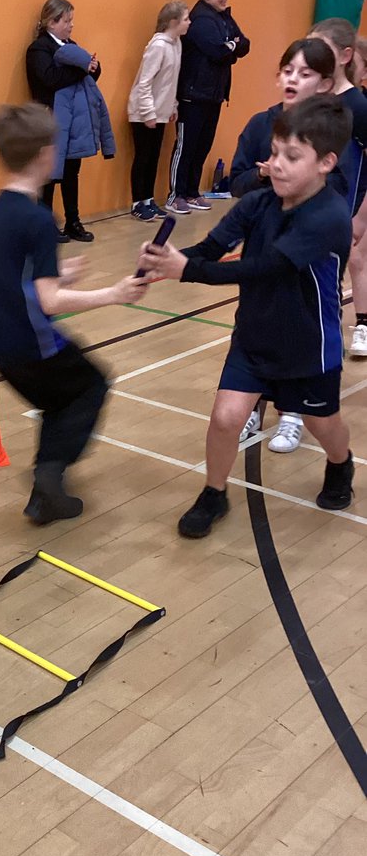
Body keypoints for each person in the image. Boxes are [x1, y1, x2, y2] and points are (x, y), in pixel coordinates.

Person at [140, 96, 354, 538]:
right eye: (275, 153)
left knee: (322, 424)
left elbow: (265, 269)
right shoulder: (258, 204)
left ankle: (341, 463)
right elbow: (213, 247)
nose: (276, 165)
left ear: (326, 163)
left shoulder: (330, 217)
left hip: (309, 347)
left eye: (292, 157)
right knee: (224, 418)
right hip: (254, 335)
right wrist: (172, 258)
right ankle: (214, 493)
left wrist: (189, 271)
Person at [0, 103, 148, 525]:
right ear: (43, 154)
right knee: (90, 385)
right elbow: (49, 302)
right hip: (29, 341)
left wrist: (56, 273)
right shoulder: (38, 219)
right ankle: (49, 480)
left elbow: (12, 274)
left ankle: (46, 487)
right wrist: (114, 293)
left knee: (59, 398)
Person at [230, 37, 337, 454]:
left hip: (309, 254)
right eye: (288, 70)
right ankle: (252, 406)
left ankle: (291, 414)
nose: (293, 79)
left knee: (301, 326)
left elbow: (340, 189)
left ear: (324, 83)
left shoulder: (329, 131)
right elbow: (235, 183)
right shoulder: (260, 125)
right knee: (252, 324)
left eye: (305, 73)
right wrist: (260, 176)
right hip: (261, 250)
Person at [167, 0, 250, 215]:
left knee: (202, 146)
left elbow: (244, 44)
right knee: (186, 146)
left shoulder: (224, 17)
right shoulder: (201, 19)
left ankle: (192, 192)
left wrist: (231, 46)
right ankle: (176, 194)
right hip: (194, 93)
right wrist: (230, 47)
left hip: (214, 94)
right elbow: (215, 51)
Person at [309, 18, 367, 357]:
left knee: (327, 292)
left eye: (323, 48)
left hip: (341, 213)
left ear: (344, 56)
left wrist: (359, 215)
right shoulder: (313, 100)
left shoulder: (358, 107)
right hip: (308, 212)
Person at [25, 0, 105, 243]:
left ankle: (73, 221)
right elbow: (50, 79)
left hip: (73, 121)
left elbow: (88, 75)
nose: (71, 25)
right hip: (50, 119)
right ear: (51, 22)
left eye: (72, 20)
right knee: (49, 174)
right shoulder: (39, 49)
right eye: (67, 21)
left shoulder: (72, 45)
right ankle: (44, 225)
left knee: (72, 173)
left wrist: (92, 67)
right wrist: (81, 68)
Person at [127, 0, 190, 222]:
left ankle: (148, 199)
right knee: (143, 157)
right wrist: (149, 113)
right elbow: (145, 83)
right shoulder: (158, 46)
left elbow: (171, 82)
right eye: (185, 19)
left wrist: (172, 106)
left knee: (154, 157)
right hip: (143, 113)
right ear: (173, 22)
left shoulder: (177, 44)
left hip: (161, 112)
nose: (188, 23)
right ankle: (137, 203)